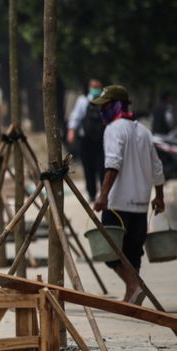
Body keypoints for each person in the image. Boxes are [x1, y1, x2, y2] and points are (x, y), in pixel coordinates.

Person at [92, 85, 165, 304]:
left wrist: (103, 195)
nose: (102, 111)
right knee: (133, 252)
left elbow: (113, 163)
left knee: (108, 252)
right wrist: (159, 196)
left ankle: (133, 285)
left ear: (115, 106)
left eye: (105, 106)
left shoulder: (114, 129)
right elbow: (157, 167)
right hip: (140, 203)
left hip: (117, 203)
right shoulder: (143, 131)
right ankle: (132, 294)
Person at [67, 79, 106, 202]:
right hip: (86, 140)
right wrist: (71, 131)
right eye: (93, 86)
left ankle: (105, 193)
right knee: (88, 167)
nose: (95, 89)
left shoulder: (105, 102)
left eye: (97, 86)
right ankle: (92, 193)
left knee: (103, 167)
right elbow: (75, 117)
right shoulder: (82, 101)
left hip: (101, 140)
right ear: (89, 87)